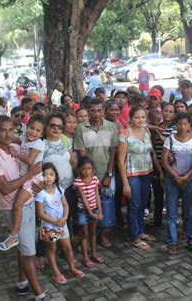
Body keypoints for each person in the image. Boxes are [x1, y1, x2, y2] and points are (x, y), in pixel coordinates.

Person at [0, 115, 46, 299]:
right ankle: (39, 294)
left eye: (11, 129)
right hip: (12, 207)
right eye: (2, 130)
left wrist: (38, 183)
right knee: (29, 253)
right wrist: (31, 174)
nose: (8, 134)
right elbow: (4, 188)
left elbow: (32, 169)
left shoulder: (17, 147)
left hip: (28, 200)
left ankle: (22, 283)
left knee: (24, 247)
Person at [0, 115, 46, 251]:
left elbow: (30, 161)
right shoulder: (25, 138)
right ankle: (16, 235)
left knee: (17, 205)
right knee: (19, 206)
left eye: (38, 131)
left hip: (34, 179)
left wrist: (15, 153)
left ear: (42, 134)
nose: (33, 132)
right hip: (27, 177)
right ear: (27, 126)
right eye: (31, 128)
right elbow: (15, 139)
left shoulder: (38, 144)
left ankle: (13, 236)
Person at [74, 98, 118, 248]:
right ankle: (86, 237)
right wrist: (90, 177)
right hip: (87, 176)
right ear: (88, 111)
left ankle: (102, 235)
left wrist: (109, 174)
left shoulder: (111, 126)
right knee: (88, 205)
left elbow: (113, 152)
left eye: (99, 110)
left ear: (103, 111)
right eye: (93, 110)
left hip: (107, 174)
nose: (96, 113)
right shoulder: (81, 128)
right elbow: (82, 155)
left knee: (105, 205)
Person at [118, 106, 163, 251]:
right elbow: (120, 160)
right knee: (134, 204)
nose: (140, 120)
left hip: (146, 173)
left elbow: (152, 153)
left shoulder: (147, 131)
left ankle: (141, 231)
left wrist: (160, 171)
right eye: (137, 117)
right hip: (132, 174)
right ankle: (134, 236)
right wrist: (125, 183)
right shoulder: (124, 134)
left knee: (143, 204)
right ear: (130, 118)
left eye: (143, 117)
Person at [35, 163, 85, 283]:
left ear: (55, 176)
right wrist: (55, 221)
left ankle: (72, 268)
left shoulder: (59, 189)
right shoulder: (40, 194)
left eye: (51, 174)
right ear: (40, 177)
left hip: (62, 225)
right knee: (51, 249)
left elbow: (65, 205)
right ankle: (55, 272)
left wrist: (65, 218)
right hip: (49, 228)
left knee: (68, 248)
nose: (48, 177)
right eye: (45, 174)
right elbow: (41, 214)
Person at [161, 112, 192, 254]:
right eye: (179, 123)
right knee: (172, 213)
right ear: (175, 124)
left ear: (190, 124)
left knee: (189, 212)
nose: (182, 126)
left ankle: (191, 240)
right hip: (172, 181)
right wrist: (176, 176)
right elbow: (164, 161)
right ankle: (172, 241)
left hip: (189, 181)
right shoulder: (170, 140)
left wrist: (186, 177)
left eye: (185, 123)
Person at [42, 112, 77, 266]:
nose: (56, 128)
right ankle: (44, 252)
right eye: (52, 125)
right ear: (46, 126)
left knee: (66, 218)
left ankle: (64, 248)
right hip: (51, 191)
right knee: (50, 223)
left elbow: (72, 160)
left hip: (68, 186)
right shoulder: (41, 143)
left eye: (59, 126)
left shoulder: (64, 140)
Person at [148, 102, 176, 226]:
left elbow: (171, 143)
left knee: (171, 195)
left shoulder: (175, 128)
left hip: (171, 167)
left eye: (171, 111)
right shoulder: (155, 126)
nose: (167, 113)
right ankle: (157, 220)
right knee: (158, 194)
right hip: (157, 165)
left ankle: (172, 220)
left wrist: (159, 134)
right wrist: (155, 129)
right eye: (165, 111)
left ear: (174, 114)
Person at [74, 156, 105, 267]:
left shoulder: (95, 179)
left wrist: (99, 211)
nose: (87, 171)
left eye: (89, 168)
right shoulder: (78, 182)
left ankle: (93, 254)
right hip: (83, 210)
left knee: (93, 233)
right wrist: (91, 213)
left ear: (92, 169)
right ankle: (85, 257)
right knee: (84, 234)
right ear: (79, 169)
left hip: (94, 209)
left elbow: (97, 195)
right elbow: (83, 198)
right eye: (84, 169)